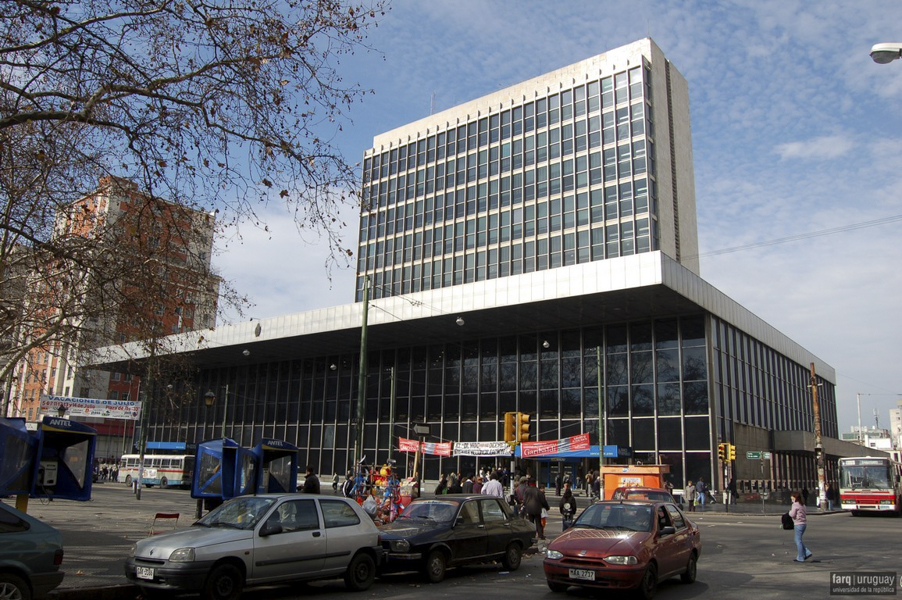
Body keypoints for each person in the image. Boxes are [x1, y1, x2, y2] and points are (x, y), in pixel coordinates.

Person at [789, 490, 812, 562]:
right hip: (804, 524)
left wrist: (789, 512)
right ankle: (805, 553)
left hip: (798, 524)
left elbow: (792, 514)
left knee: (798, 540)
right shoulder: (803, 505)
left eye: (792, 498)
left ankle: (801, 556)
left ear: (795, 498)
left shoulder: (795, 505)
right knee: (798, 540)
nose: (792, 500)